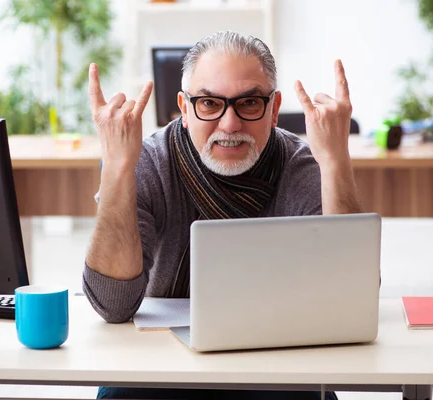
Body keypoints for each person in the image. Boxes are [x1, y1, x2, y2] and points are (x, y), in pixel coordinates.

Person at [82, 31, 361, 400]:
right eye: (210, 104)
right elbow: (112, 305)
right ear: (184, 109)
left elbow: (350, 300)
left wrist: (336, 161)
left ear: (274, 110)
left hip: (278, 362)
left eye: (248, 103)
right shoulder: (149, 162)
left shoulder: (300, 165)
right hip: (156, 363)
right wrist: (117, 168)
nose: (229, 125)